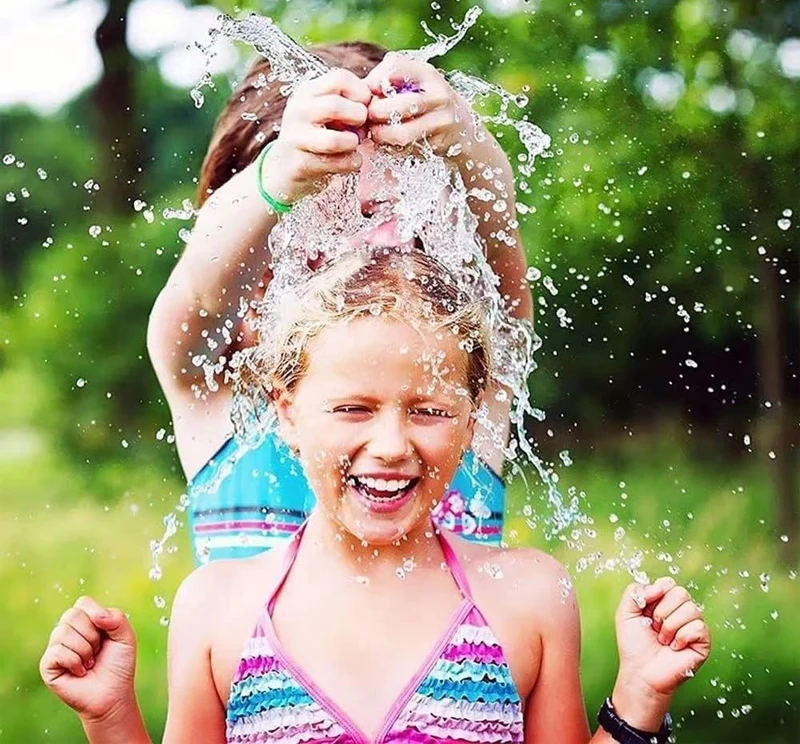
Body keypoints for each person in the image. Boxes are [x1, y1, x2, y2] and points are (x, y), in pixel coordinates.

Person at [41, 249, 711, 744]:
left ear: (475, 415)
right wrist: (110, 718)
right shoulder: (219, 608)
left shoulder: (530, 597)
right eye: (353, 409)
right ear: (288, 412)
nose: (391, 445)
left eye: (428, 410)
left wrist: (637, 698)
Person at [146, 41, 534, 562]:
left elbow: (500, 285)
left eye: (385, 209)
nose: (365, 245)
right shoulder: (221, 389)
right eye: (319, 205)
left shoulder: (461, 384)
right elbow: (202, 296)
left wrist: (468, 144)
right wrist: (279, 171)